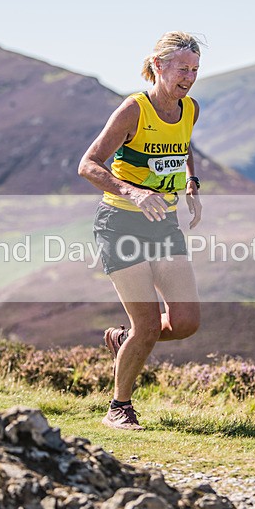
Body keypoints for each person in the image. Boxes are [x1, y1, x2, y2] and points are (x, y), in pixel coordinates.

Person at [77, 31, 203, 430]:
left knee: (185, 322)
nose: (189, 78)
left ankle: (123, 340)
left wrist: (191, 183)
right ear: (158, 65)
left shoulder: (189, 108)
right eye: (182, 69)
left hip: (163, 224)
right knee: (147, 325)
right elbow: (88, 164)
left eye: (195, 70)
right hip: (121, 224)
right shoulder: (134, 110)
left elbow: (183, 147)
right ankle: (119, 407)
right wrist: (133, 191)